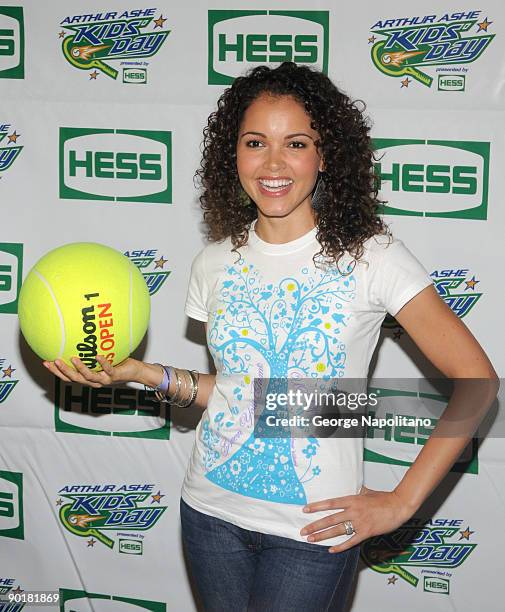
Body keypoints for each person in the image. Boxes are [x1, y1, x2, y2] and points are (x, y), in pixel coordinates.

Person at [44, 62, 498, 611]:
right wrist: (144, 374)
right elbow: (245, 395)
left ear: (324, 155)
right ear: (232, 153)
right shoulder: (214, 262)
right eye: (256, 142)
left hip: (311, 532)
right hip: (209, 514)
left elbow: (478, 381)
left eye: (297, 143)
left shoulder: (372, 256)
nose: (274, 163)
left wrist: (401, 503)